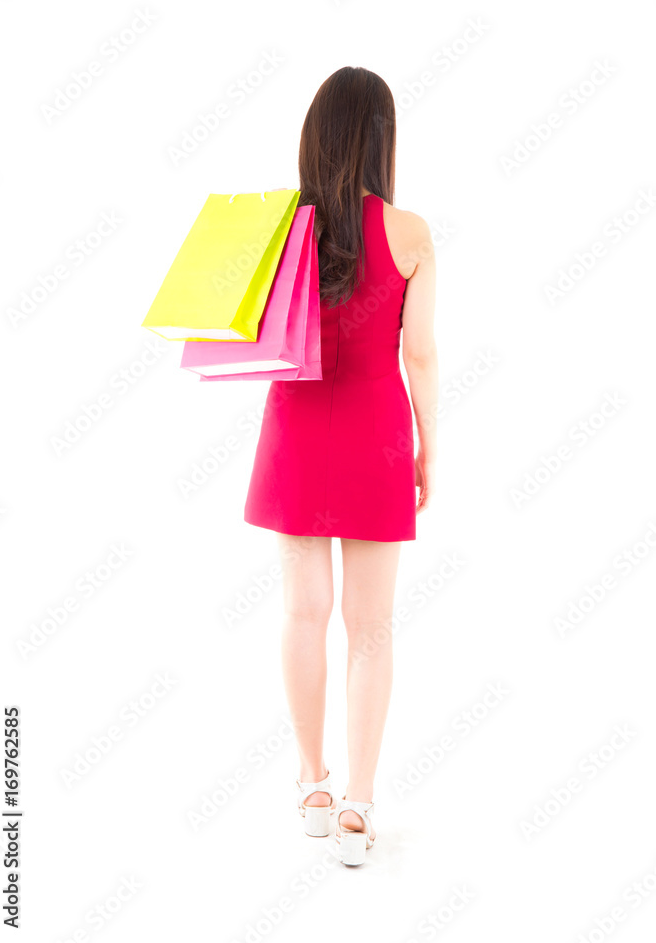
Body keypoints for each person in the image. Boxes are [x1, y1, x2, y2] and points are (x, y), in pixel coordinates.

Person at [244, 66, 438, 865]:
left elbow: (237, 328)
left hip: (293, 428)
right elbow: (418, 355)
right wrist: (431, 447)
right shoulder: (410, 230)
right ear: (382, 139)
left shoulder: (275, 227)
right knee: (371, 626)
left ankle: (311, 783)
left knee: (301, 613)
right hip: (376, 434)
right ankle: (359, 804)